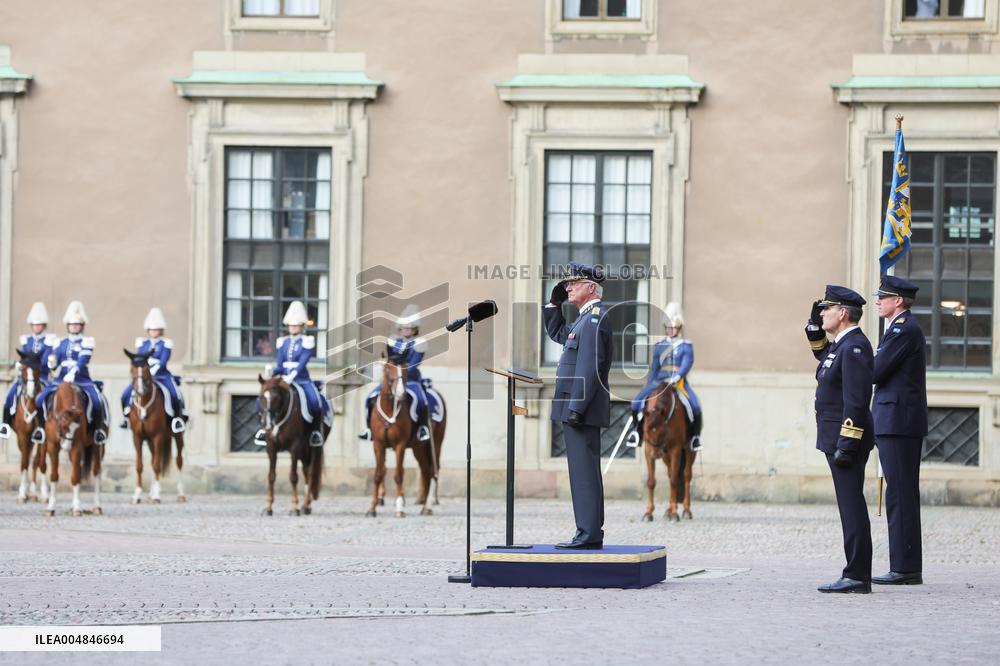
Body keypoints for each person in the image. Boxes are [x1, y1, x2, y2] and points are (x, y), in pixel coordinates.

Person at [806, 285, 874, 593]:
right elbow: (823, 356)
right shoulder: (840, 345)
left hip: (845, 440)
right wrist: (812, 328)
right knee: (848, 506)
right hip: (834, 439)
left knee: (852, 506)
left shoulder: (855, 347)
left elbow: (856, 401)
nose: (822, 313)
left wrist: (848, 442)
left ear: (843, 313)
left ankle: (857, 575)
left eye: (827, 309)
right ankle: (855, 572)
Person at [543, 261, 613, 549]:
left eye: (573, 283)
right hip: (576, 408)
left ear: (590, 287)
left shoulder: (596, 317)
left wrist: (576, 407)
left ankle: (587, 534)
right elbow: (560, 335)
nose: (567, 287)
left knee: (583, 473)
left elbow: (589, 366)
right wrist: (552, 305)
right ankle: (590, 531)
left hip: (580, 409)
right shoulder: (584, 319)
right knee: (583, 471)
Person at [871, 275, 927, 586]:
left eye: (883, 296)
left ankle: (905, 568)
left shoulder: (903, 330)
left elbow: (877, 371)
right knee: (899, 493)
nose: (878, 301)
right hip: (895, 419)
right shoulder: (898, 328)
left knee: (901, 495)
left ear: (899, 301)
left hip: (898, 420)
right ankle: (904, 565)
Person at [626, 302, 703, 451]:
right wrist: (649, 385)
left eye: (674, 327)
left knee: (694, 405)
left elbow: (687, 363)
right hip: (659, 381)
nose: (671, 330)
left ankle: (694, 438)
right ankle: (637, 432)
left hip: (678, 382)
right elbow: (655, 367)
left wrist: (677, 377)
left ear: (679, 328)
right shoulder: (660, 345)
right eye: (668, 327)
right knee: (636, 403)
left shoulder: (686, 345)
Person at [253, 301, 331, 446]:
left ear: (302, 326)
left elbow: (302, 363)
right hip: (283, 379)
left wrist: (292, 376)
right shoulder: (283, 342)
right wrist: (272, 371)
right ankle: (264, 429)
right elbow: (281, 364)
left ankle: (315, 433)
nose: (293, 327)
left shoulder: (307, 341)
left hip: (301, 379)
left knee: (315, 401)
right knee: (262, 399)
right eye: (291, 325)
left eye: (296, 325)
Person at [358, 304, 438, 443]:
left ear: (414, 328)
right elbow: (390, 359)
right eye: (403, 327)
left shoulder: (419, 342)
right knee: (370, 397)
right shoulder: (395, 341)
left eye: (409, 327)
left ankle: (422, 428)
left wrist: (401, 371)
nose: (405, 330)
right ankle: (369, 429)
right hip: (392, 380)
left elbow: (414, 364)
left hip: (411, 380)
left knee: (421, 400)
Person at [36, 301, 109, 445]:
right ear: (67, 326)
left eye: (77, 324)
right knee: (39, 399)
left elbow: (83, 360)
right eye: (71, 324)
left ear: (81, 326)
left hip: (82, 379)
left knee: (97, 401)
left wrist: (74, 372)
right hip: (60, 379)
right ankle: (41, 429)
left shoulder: (87, 341)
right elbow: (56, 361)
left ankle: (98, 431)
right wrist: (52, 363)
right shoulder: (60, 342)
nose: (74, 327)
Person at [120, 307, 188, 434]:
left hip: (162, 375)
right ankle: (126, 418)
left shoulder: (165, 343)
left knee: (174, 395)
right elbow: (140, 359)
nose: (154, 332)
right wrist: (145, 372)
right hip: (145, 376)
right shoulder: (142, 343)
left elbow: (164, 360)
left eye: (156, 329)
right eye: (151, 329)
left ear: (160, 330)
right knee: (125, 394)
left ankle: (176, 420)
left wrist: (155, 369)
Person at [0, 302, 56, 442]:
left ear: (44, 326)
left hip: (42, 377)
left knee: (45, 399)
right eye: (35, 324)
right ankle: (5, 424)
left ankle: (42, 427)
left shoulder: (49, 340)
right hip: (25, 378)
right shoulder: (26, 340)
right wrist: (20, 365)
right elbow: (23, 357)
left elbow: (46, 359)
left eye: (40, 325)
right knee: (9, 395)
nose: (37, 327)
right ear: (31, 326)